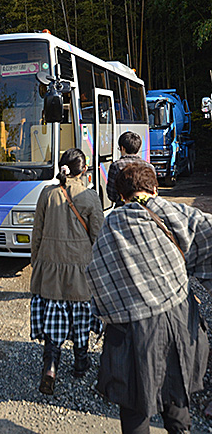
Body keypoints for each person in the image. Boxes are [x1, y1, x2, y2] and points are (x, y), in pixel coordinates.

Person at [86, 163, 211, 434]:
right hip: (178, 317)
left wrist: (110, 311)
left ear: (120, 195)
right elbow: (207, 231)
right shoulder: (173, 211)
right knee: (176, 392)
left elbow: (95, 275)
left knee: (135, 402)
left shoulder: (111, 225)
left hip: (132, 328)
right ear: (154, 188)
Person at [30, 148, 104, 395]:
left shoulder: (46, 194)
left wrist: (36, 263)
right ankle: (80, 364)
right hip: (80, 270)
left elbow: (37, 233)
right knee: (80, 319)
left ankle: (50, 369)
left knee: (54, 320)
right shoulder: (90, 196)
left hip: (50, 267)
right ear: (83, 170)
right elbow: (98, 238)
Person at [106, 131, 153, 207]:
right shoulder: (149, 167)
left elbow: (111, 194)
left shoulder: (116, 166)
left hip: (122, 208)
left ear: (122, 148)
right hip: (146, 209)